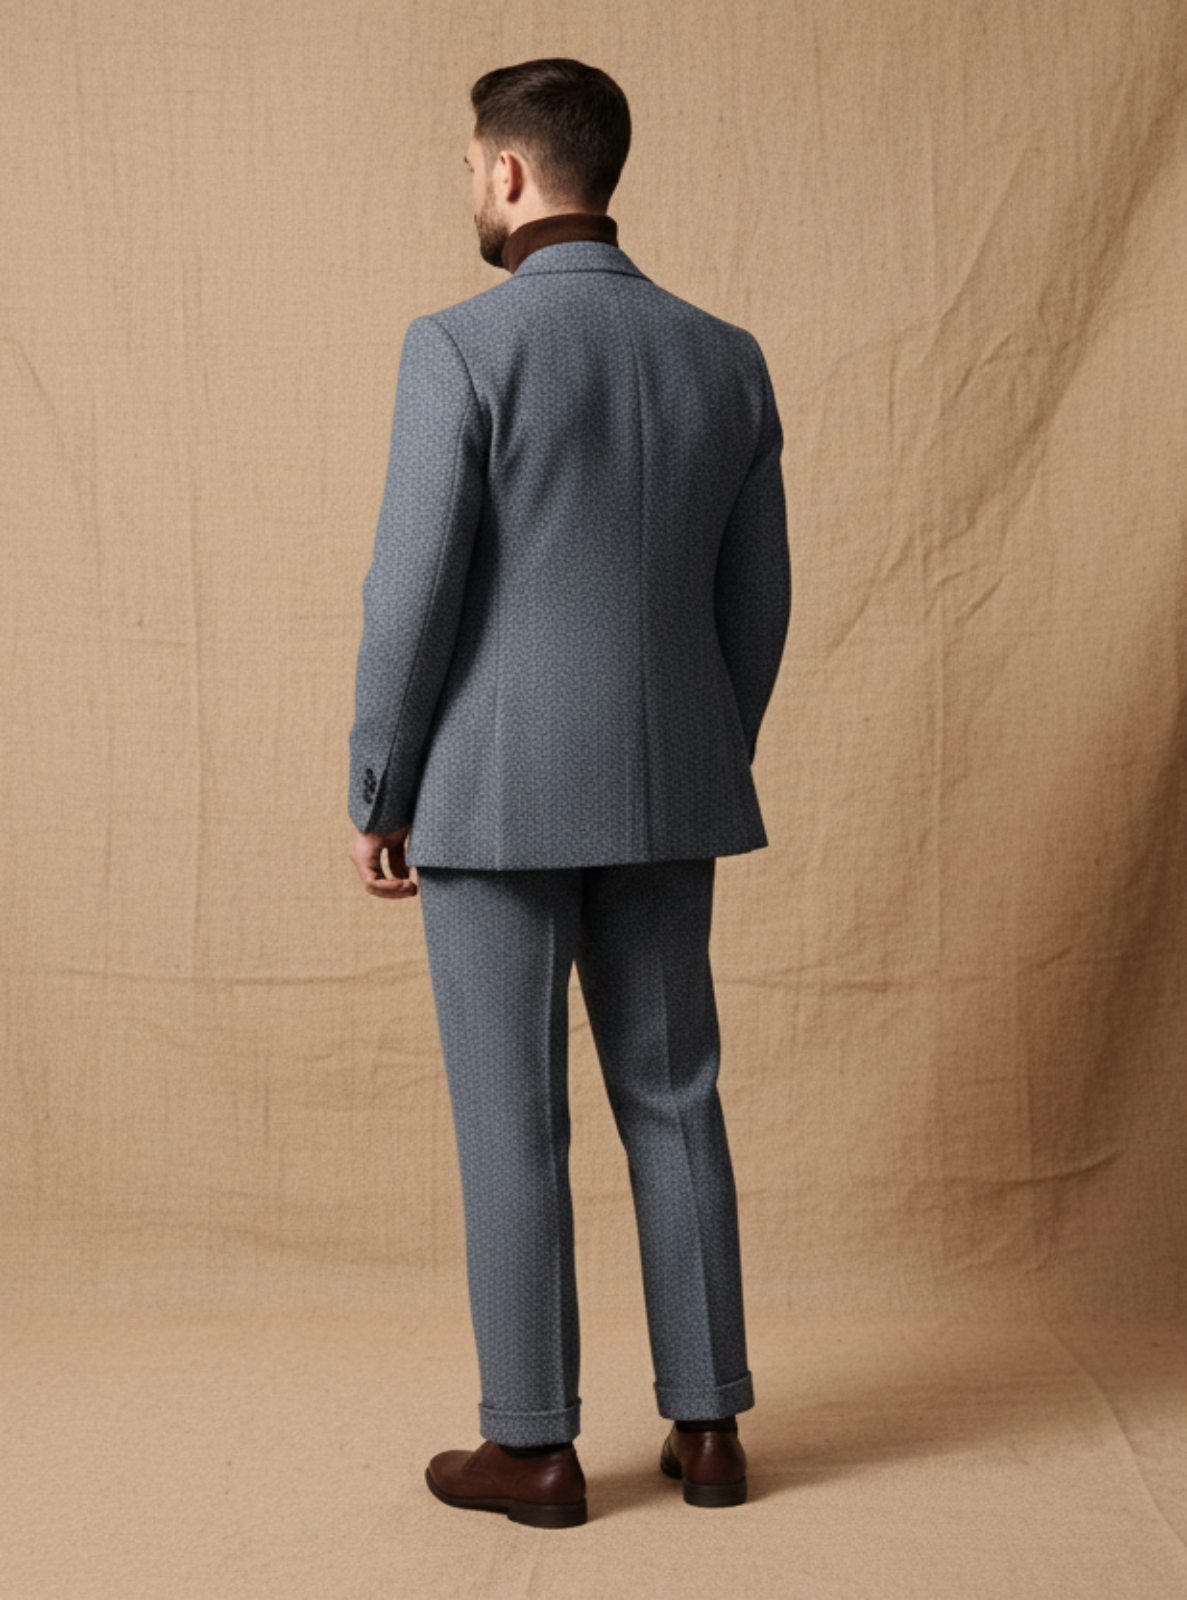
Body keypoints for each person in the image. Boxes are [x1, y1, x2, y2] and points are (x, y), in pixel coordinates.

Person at [347, 57, 790, 1528]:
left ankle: (533, 1446)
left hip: (487, 794)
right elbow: (758, 603)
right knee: (675, 1098)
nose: (472, 186)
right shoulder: (723, 355)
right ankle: (711, 1427)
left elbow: (409, 596)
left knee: (511, 1119)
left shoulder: (459, 347)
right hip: (671, 784)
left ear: (514, 173)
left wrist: (381, 778)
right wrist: (698, 749)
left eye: (474, 164)